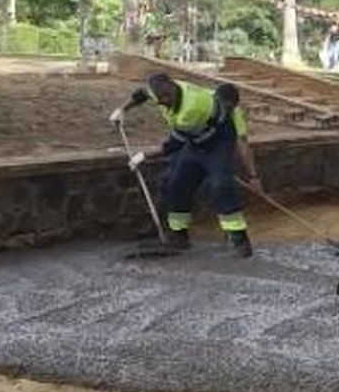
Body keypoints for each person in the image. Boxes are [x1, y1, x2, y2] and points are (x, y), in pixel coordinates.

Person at [111, 73, 263, 256]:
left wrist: (144, 155)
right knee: (177, 183)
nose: (164, 102)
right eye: (160, 99)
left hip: (218, 145)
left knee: (220, 186)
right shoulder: (159, 90)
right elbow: (141, 94)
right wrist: (123, 110)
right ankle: (178, 235)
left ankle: (239, 240)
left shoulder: (193, 108)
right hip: (194, 142)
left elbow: (174, 145)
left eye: (167, 98)